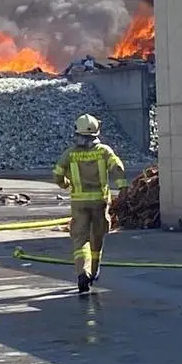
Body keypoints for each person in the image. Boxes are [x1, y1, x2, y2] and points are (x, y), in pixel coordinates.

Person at [52, 113, 128, 294]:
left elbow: (57, 174)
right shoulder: (104, 151)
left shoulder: (70, 154)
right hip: (100, 202)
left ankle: (82, 272)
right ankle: (93, 271)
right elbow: (117, 167)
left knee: (80, 239)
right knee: (97, 237)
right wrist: (123, 188)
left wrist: (65, 184)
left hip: (79, 203)